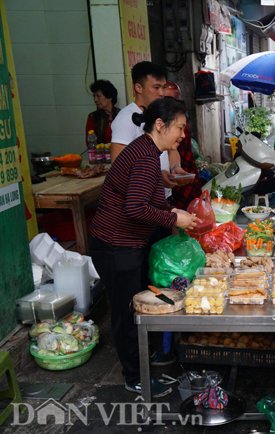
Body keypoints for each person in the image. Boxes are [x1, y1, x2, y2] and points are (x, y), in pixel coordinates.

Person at [89, 98, 199, 398]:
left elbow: (149, 199)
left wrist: (171, 213)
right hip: (115, 245)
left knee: (136, 305)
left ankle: (140, 359)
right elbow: (135, 208)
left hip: (123, 244)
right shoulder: (144, 158)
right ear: (160, 125)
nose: (182, 136)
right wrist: (173, 216)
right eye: (179, 128)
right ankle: (134, 377)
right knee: (127, 312)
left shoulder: (147, 151)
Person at [110, 62, 186, 200]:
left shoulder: (159, 113)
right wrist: (157, 175)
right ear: (138, 87)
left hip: (162, 195)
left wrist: (175, 167)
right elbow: (118, 167)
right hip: (141, 201)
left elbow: (171, 148)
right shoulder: (126, 118)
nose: (162, 93)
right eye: (156, 87)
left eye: (163, 87)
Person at [164, 82, 203, 210]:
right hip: (179, 175)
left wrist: (175, 166)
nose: (183, 135)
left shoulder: (176, 118)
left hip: (182, 173)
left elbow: (173, 150)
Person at [86, 79, 120, 144]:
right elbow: (90, 144)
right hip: (101, 153)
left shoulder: (121, 114)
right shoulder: (93, 117)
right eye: (94, 96)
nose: (95, 100)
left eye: (98, 96)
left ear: (109, 97)